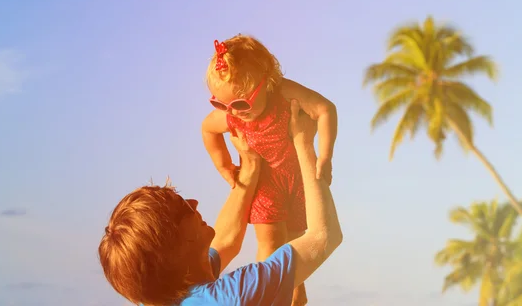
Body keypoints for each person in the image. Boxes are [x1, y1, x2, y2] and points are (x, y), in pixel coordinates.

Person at [98, 100, 343, 305]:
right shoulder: (234, 296)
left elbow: (226, 241)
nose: (194, 202)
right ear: (178, 245)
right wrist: (303, 140)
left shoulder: (164, 291)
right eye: (183, 207)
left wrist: (250, 167)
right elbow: (324, 237)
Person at [202, 34, 339, 304]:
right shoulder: (232, 115)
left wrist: (326, 156)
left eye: (241, 103)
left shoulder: (284, 93)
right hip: (264, 183)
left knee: (296, 249)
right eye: (221, 105)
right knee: (270, 242)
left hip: (295, 179)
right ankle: (264, 299)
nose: (234, 112)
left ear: (267, 82)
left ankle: (295, 298)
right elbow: (208, 129)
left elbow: (325, 109)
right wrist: (224, 165)